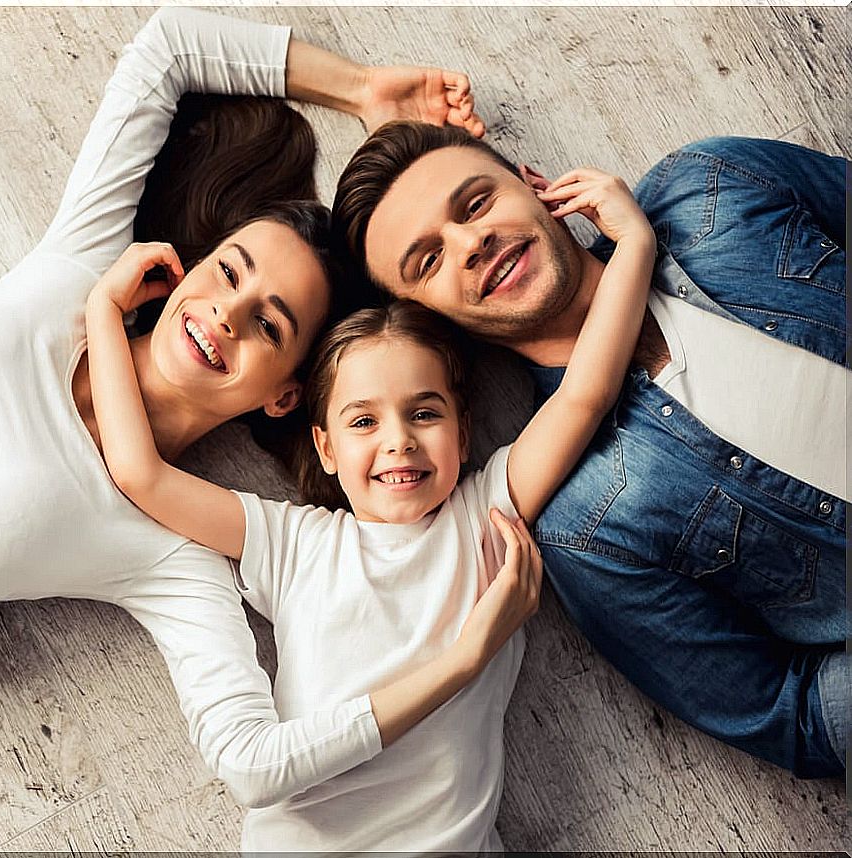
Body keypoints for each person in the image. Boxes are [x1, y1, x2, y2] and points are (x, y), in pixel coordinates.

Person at [0, 6, 498, 813]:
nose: (226, 314)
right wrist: (360, 91)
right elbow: (167, 48)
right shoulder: (74, 272)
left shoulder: (167, 552)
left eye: (270, 324)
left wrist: (462, 661)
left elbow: (253, 764)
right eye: (227, 271)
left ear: (285, 395)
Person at [82, 162, 655, 850]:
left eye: (424, 412)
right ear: (323, 446)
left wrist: (634, 247)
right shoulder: (293, 542)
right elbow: (140, 473)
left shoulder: (484, 516)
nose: (399, 443)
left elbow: (583, 395)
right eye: (363, 422)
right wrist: (104, 315)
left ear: (463, 431)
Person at [330, 122, 849, 778]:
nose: (471, 242)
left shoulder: (712, 185)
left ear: (533, 186)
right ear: (432, 320)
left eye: (476, 204)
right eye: (429, 261)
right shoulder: (586, 524)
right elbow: (789, 716)